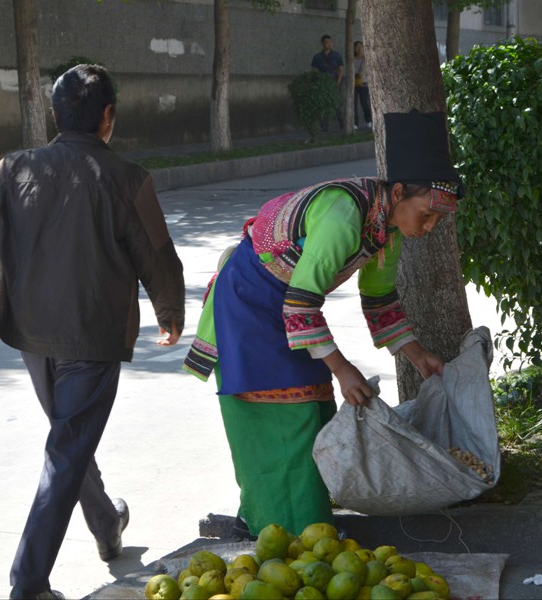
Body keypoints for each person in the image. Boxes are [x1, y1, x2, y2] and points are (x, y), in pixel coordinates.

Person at [0, 64, 186, 599]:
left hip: (30, 331)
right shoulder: (128, 179)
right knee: (67, 447)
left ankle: (105, 524)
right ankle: (28, 583)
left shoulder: (14, 168)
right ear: (107, 116)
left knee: (68, 437)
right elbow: (157, 256)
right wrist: (169, 312)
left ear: (55, 114)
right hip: (92, 334)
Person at [183, 110, 462, 538]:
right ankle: (280, 534)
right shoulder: (344, 214)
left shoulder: (388, 228)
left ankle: (284, 526)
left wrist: (417, 354)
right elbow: (301, 305)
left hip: (287, 308)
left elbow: (380, 299)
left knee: (313, 413)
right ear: (400, 191)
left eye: (438, 221)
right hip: (248, 308)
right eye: (426, 214)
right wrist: (343, 368)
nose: (428, 228)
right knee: (284, 422)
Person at [311, 34, 345, 131]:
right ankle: (324, 127)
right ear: (322, 44)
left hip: (334, 81)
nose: (329, 44)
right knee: (323, 104)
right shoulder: (317, 57)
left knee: (337, 104)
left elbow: (341, 69)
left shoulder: (336, 55)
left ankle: (342, 123)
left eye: (330, 42)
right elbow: (314, 70)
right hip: (322, 83)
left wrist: (338, 82)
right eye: (327, 42)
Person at [353, 41, 372, 130]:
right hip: (353, 84)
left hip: (364, 83)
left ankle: (369, 121)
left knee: (365, 103)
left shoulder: (366, 59)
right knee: (353, 105)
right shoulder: (352, 59)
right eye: (357, 47)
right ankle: (355, 123)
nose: (359, 48)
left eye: (361, 46)